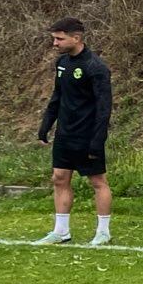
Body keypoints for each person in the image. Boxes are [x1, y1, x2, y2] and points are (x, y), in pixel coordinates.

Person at [35, 18, 114, 247]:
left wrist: (98, 140)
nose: (55, 43)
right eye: (54, 39)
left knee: (98, 181)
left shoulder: (95, 67)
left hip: (87, 135)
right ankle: (61, 232)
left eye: (59, 39)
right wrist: (46, 124)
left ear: (76, 38)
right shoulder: (62, 64)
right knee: (59, 179)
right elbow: (57, 97)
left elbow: (103, 108)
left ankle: (103, 232)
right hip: (65, 134)